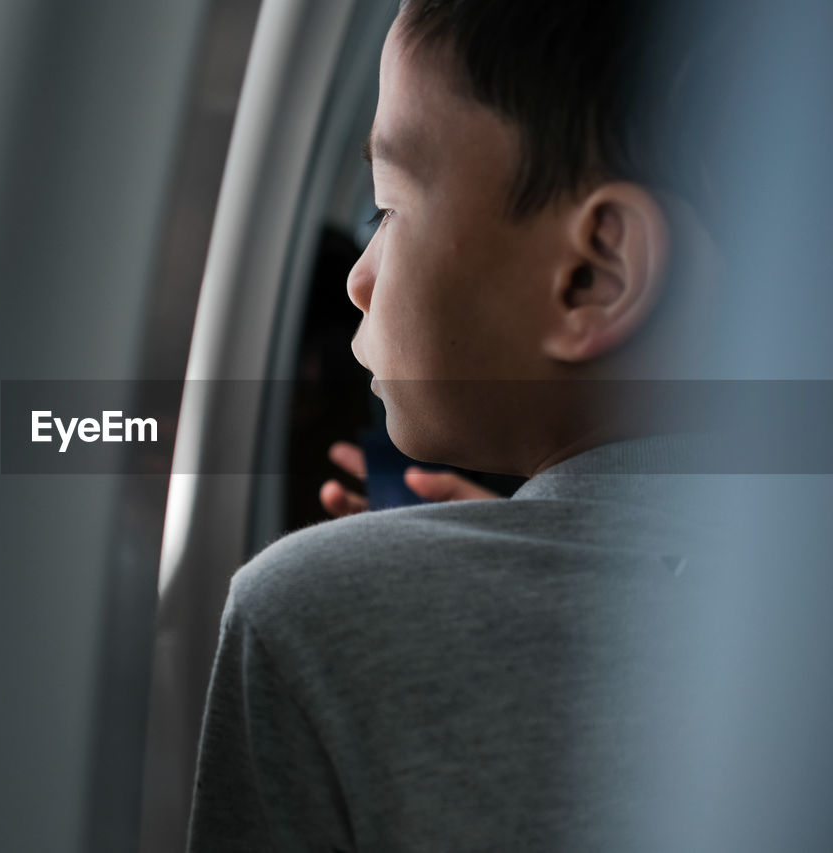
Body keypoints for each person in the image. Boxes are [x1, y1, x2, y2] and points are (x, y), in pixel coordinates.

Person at [188, 0, 729, 849]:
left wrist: (406, 591)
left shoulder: (313, 617)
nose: (359, 282)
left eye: (387, 211)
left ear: (595, 275)